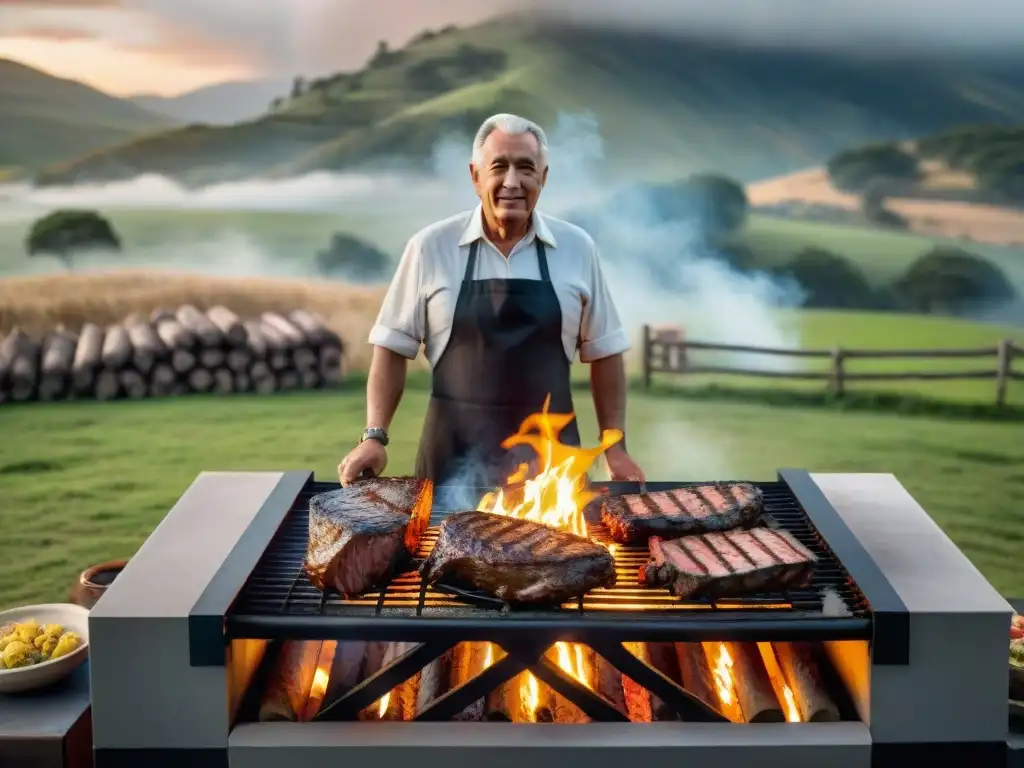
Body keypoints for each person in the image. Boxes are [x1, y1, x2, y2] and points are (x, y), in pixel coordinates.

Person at [338, 113, 644, 489]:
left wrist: (615, 446)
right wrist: (374, 436)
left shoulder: (577, 248)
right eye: (499, 167)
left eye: (526, 168)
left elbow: (606, 352)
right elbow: (390, 347)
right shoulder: (430, 247)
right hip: (450, 469)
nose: (512, 182)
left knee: (560, 551)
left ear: (543, 178)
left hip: (552, 477)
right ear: (475, 176)